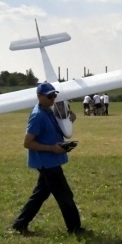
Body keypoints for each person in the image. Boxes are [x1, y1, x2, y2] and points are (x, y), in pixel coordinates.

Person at [11, 82, 85, 235]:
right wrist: (52, 148)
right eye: (49, 96)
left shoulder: (49, 111)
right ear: (39, 97)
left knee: (40, 194)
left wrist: (70, 120)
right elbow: (27, 143)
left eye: (54, 95)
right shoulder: (37, 116)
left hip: (51, 161)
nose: (53, 99)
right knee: (65, 196)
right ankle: (75, 229)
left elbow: (59, 129)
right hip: (47, 163)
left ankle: (20, 224)